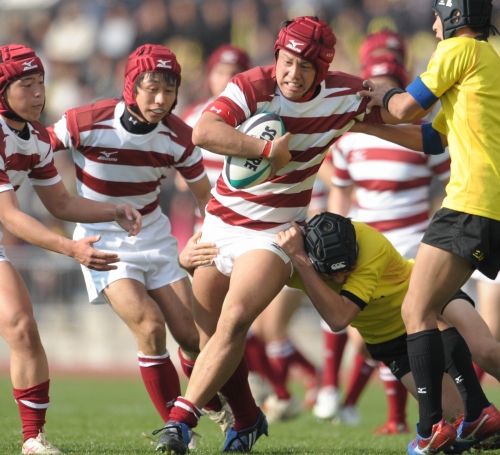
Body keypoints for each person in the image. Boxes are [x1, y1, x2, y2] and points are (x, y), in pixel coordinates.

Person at [153, 15, 410, 454]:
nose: (292, 73)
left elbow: (410, 119)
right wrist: (267, 150)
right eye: (287, 61)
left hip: (275, 233)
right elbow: (204, 132)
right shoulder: (253, 84)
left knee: (236, 319)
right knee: (204, 340)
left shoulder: (346, 95)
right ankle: (247, 418)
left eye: (305, 66)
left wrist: (426, 116)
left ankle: (180, 421)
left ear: (322, 69)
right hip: (219, 224)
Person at [47, 44, 232, 440]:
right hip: (103, 240)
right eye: (152, 89)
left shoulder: (179, 135)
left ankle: (214, 406)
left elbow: (206, 200)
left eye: (169, 90)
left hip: (154, 237)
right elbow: (34, 151)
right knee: (149, 326)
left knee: (193, 338)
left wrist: (210, 242)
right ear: (131, 86)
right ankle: (177, 430)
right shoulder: (83, 121)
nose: (161, 100)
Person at [356, 0, 500, 453]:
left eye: (438, 16)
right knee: (437, 314)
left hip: (469, 202)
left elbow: (403, 108)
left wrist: (381, 93)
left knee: (414, 311)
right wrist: (366, 127)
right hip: (484, 205)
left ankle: (430, 430)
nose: (434, 26)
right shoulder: (484, 58)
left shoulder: (458, 49)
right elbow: (432, 138)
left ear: (456, 16)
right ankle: (476, 415)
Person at [0, 44, 142, 454]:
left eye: (41, 83)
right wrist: (70, 248)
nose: (38, 94)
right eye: (26, 85)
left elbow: (60, 203)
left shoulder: (37, 140)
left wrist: (113, 210)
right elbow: (10, 216)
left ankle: (33, 440)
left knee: (21, 326)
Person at [316, 32, 451, 434]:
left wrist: (441, 233)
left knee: (404, 325)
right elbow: (341, 193)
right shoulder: (350, 138)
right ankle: (335, 392)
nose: (380, 95)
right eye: (374, 85)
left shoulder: (422, 133)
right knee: (367, 326)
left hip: (411, 241)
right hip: (363, 243)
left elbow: (448, 186)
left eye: (389, 86)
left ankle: (394, 413)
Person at [277, 212, 500, 455]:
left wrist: (303, 263)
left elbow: (339, 318)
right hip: (390, 341)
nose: (340, 278)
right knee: (461, 422)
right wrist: (299, 261)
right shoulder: (288, 260)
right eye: (330, 274)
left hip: (419, 294)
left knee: (487, 351)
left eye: (347, 269)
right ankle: (473, 417)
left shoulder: (368, 242)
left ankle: (457, 419)